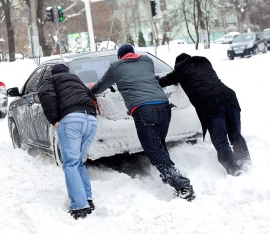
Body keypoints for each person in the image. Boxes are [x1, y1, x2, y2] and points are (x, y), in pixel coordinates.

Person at [88, 44, 195, 201]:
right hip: (164, 107)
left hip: (144, 110)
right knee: (159, 144)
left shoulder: (116, 66)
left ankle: (180, 184)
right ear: (133, 53)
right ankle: (168, 174)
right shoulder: (147, 61)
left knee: (153, 150)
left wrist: (89, 91)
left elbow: (100, 86)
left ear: (120, 57)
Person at [159, 53, 251, 176]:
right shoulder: (204, 62)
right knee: (235, 134)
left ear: (178, 64)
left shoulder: (180, 70)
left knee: (220, 140)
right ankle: (244, 159)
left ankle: (233, 169)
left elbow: (162, 82)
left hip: (211, 103)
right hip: (229, 96)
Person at [38, 64, 97, 219]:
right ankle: (87, 199)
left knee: (70, 163)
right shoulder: (77, 80)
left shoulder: (50, 80)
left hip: (72, 120)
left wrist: (54, 118)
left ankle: (79, 206)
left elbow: (45, 95)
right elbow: (90, 96)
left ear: (53, 73)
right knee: (78, 161)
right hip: (90, 120)